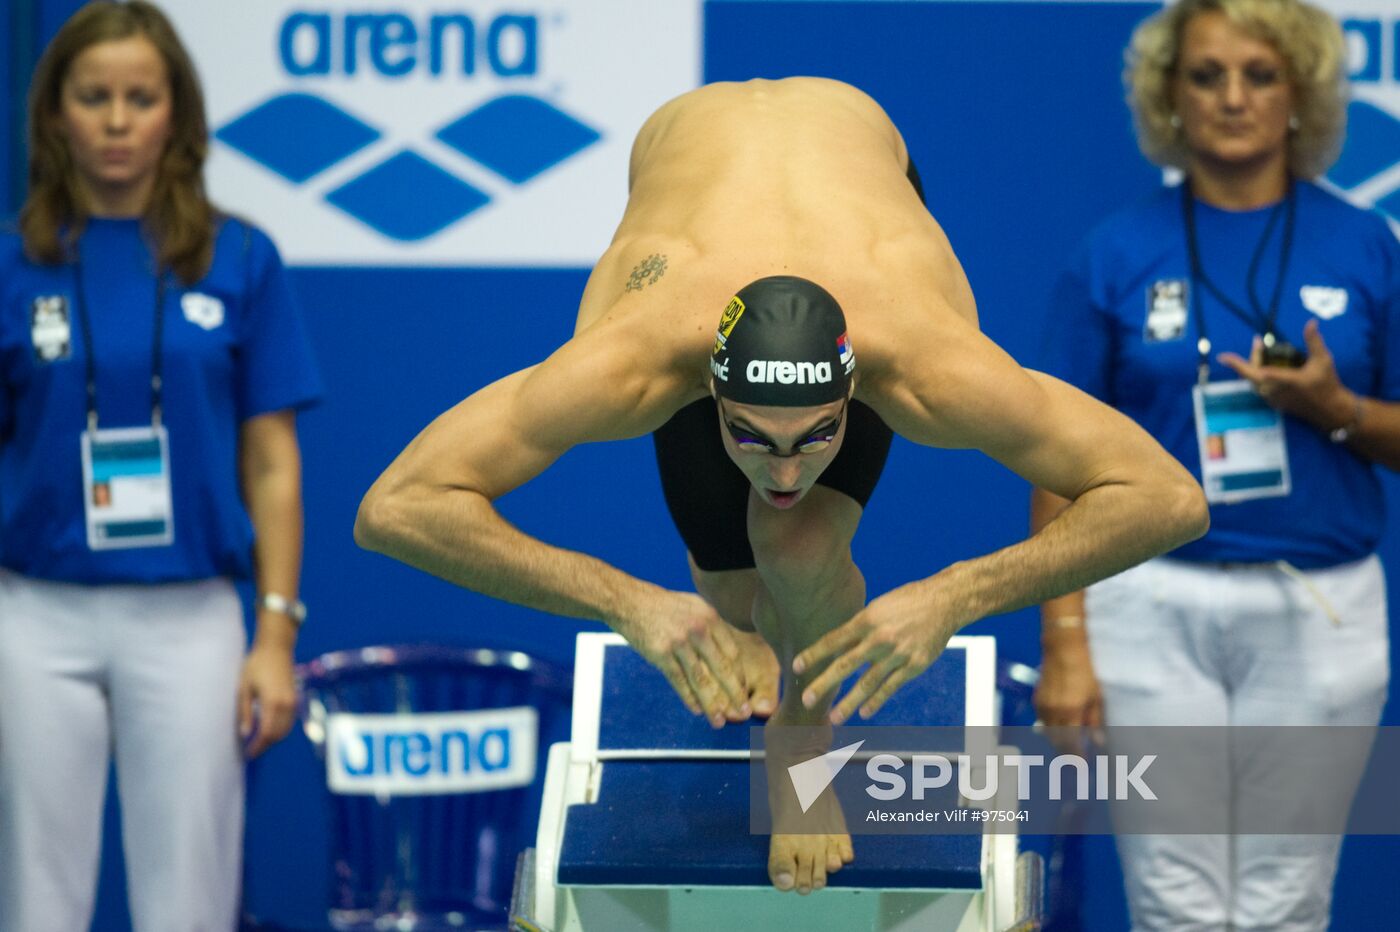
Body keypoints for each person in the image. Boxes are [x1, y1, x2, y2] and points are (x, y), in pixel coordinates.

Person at [356, 75, 1208, 896]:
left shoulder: (925, 360)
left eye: (818, 436)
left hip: (859, 172)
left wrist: (953, 596)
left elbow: (1167, 499)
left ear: (857, 389)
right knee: (735, 602)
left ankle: (802, 739)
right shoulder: (634, 358)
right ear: (706, 391)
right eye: (752, 437)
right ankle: (747, 581)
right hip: (683, 207)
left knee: (795, 543)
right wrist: (628, 601)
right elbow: (397, 507)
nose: (786, 471)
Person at [1032, 0, 1400, 928]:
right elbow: (1055, 456)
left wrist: (1337, 410)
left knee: (1288, 900)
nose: (1233, 98)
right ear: (1169, 96)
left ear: (1301, 93)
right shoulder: (1114, 253)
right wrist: (1064, 643)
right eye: (1206, 75)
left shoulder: (1366, 246)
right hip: (1148, 604)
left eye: (1260, 74)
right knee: (1173, 902)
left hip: (1320, 606)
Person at [0, 3, 322, 930]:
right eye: (92, 96)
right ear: (53, 112)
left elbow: (272, 463)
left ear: (176, 112)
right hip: (33, 614)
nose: (115, 120)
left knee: (191, 899)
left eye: (140, 98)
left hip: (189, 619)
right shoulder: (14, 264)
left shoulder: (240, 257)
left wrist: (274, 636)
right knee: (34, 896)